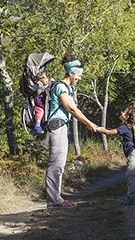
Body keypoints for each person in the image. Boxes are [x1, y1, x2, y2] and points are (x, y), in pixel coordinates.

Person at [44, 53, 99, 208]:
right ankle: (54, 200)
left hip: (60, 126)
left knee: (58, 163)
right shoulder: (61, 87)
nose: (79, 78)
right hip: (58, 126)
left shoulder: (64, 87)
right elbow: (72, 109)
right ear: (70, 72)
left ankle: (55, 198)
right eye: (78, 75)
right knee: (56, 163)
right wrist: (89, 123)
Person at [96, 105, 135, 206]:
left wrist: (97, 129)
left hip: (133, 154)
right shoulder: (133, 126)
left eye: (123, 112)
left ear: (126, 117)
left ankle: (132, 198)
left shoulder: (125, 127)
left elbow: (109, 132)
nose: (121, 112)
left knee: (131, 176)